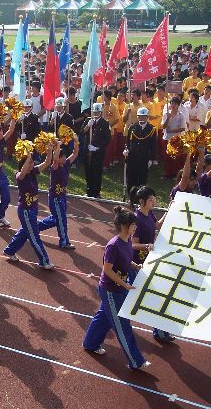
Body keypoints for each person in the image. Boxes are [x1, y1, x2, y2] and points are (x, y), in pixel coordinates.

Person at [83, 206, 151, 371]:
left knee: (104, 318)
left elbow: (126, 260)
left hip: (117, 289)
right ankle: (136, 361)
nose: (135, 228)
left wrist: (135, 266)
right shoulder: (113, 245)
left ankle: (90, 343)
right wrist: (125, 284)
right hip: (111, 290)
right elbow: (107, 269)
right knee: (122, 325)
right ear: (123, 226)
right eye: (133, 225)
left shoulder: (127, 240)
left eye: (135, 225)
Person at [128, 185, 173, 343]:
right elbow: (133, 244)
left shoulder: (149, 214)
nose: (154, 202)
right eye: (151, 200)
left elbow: (157, 226)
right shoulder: (137, 219)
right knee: (150, 297)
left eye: (155, 199)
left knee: (149, 296)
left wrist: (169, 209)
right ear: (142, 201)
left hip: (147, 262)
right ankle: (159, 331)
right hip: (137, 266)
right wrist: (147, 246)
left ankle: (160, 330)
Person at [4, 141, 56, 269]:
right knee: (34, 236)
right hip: (25, 211)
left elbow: (47, 163)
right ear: (24, 164)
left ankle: (10, 250)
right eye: (31, 162)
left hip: (32, 209)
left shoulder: (33, 172)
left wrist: (49, 150)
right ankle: (44, 261)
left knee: (25, 232)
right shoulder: (19, 176)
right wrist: (28, 156)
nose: (33, 164)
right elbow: (22, 173)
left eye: (32, 162)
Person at [38, 136, 79, 250]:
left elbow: (75, 154)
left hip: (62, 197)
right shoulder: (54, 167)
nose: (65, 158)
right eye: (63, 156)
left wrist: (75, 141)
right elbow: (55, 159)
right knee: (61, 219)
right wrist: (58, 146)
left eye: (65, 156)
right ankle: (64, 241)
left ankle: (35, 227)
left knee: (56, 219)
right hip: (55, 198)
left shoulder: (65, 164)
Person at [124, 107, 156, 192]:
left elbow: (153, 146)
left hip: (143, 158)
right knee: (131, 178)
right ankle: (131, 196)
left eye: (143, 116)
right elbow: (128, 141)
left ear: (147, 117)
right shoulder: (132, 127)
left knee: (142, 179)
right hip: (132, 157)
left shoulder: (152, 129)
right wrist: (126, 149)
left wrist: (151, 159)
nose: (141, 118)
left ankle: (140, 198)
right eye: (139, 116)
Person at [83, 103, 111, 198]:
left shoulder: (105, 123)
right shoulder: (88, 120)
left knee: (97, 171)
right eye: (94, 112)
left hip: (98, 151)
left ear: (101, 112)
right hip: (87, 150)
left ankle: (96, 191)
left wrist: (97, 147)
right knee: (88, 171)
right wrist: (88, 126)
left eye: (97, 112)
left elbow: (107, 139)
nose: (95, 113)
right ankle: (89, 190)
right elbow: (81, 132)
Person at [162, 96, 187, 178]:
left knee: (176, 157)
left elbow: (183, 128)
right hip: (167, 138)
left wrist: (172, 130)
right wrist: (168, 119)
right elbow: (164, 126)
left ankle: (176, 173)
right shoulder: (166, 114)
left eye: (175, 103)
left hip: (176, 138)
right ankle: (168, 173)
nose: (173, 105)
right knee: (167, 157)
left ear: (178, 105)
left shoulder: (181, 115)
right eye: (172, 103)